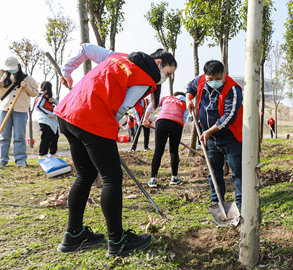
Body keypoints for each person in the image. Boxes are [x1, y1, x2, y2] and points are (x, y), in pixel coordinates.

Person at [54, 43, 176, 257]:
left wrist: (67, 71)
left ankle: (73, 235)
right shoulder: (146, 78)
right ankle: (118, 240)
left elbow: (85, 49)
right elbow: (123, 108)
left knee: (85, 174)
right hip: (92, 117)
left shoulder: (118, 56)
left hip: (67, 112)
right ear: (158, 63)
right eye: (167, 73)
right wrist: (112, 126)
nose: (164, 78)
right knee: (111, 178)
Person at [185, 60, 243, 209]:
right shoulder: (200, 81)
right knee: (213, 172)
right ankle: (217, 202)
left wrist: (209, 131)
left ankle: (241, 203)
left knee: (238, 172)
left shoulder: (233, 89)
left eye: (218, 79)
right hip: (210, 137)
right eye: (210, 80)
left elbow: (229, 116)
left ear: (223, 74)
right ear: (206, 76)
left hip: (231, 136)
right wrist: (188, 99)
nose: (214, 82)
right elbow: (190, 87)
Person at [0, 56, 38, 167]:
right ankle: (2, 160)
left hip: (21, 110)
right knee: (3, 136)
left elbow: (35, 93)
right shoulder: (4, 78)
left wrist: (25, 87)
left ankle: (20, 160)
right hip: (4, 109)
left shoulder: (28, 78)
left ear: (18, 66)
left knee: (19, 136)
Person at [144, 91, 188, 187]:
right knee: (174, 151)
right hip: (177, 123)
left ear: (174, 96)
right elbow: (184, 118)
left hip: (161, 121)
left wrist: (145, 118)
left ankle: (153, 179)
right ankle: (174, 178)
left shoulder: (166, 98)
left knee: (158, 151)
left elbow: (152, 104)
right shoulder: (186, 103)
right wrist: (175, 131)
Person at [34, 81, 59, 158]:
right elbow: (38, 107)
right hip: (44, 119)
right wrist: (48, 113)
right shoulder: (41, 96)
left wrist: (54, 100)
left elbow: (58, 104)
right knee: (46, 136)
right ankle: (42, 154)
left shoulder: (50, 97)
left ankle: (52, 153)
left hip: (52, 119)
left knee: (55, 135)